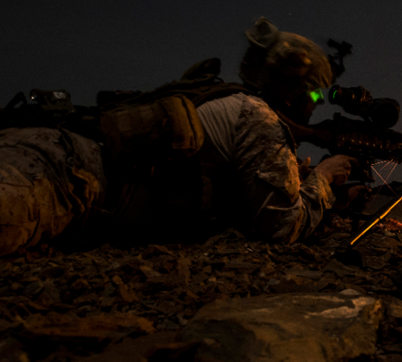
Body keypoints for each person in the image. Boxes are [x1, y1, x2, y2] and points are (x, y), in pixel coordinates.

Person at [0, 17, 355, 256]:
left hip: (57, 157)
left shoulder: (224, 99)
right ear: (291, 90)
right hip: (63, 177)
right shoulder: (259, 116)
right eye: (312, 95)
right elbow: (281, 225)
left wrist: (296, 177)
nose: (314, 105)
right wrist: (323, 177)